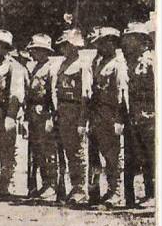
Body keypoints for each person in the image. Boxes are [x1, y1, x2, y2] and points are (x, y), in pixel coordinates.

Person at [0, 30, 28, 199]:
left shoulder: (14, 66)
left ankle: (7, 183)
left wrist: (11, 116)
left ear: (4, 47)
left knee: (8, 149)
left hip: (5, 112)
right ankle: (3, 181)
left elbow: (16, 95)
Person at [88, 27, 129, 206]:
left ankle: (115, 192)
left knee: (113, 156)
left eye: (103, 42)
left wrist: (120, 119)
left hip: (111, 115)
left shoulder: (118, 64)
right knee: (99, 155)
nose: (100, 46)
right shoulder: (99, 62)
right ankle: (98, 191)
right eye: (99, 43)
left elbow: (122, 94)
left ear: (112, 42)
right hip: (97, 114)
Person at [53, 29, 91, 206]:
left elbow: (86, 95)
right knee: (67, 152)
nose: (64, 48)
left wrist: (83, 120)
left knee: (78, 152)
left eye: (67, 45)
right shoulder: (63, 64)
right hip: (63, 111)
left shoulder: (83, 65)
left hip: (76, 111)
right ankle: (72, 187)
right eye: (62, 46)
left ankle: (80, 189)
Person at [122, 21, 154, 207]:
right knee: (139, 157)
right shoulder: (131, 61)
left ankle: (153, 194)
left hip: (150, 116)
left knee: (152, 156)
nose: (129, 42)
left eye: (132, 38)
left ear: (142, 40)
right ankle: (143, 194)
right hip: (134, 116)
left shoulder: (152, 61)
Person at [25, 34, 60, 199]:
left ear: (44, 51)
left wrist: (51, 117)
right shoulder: (35, 68)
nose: (32, 53)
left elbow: (52, 95)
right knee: (37, 151)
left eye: (36, 50)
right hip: (33, 114)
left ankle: (51, 184)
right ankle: (43, 183)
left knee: (48, 151)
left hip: (45, 113)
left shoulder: (51, 69)